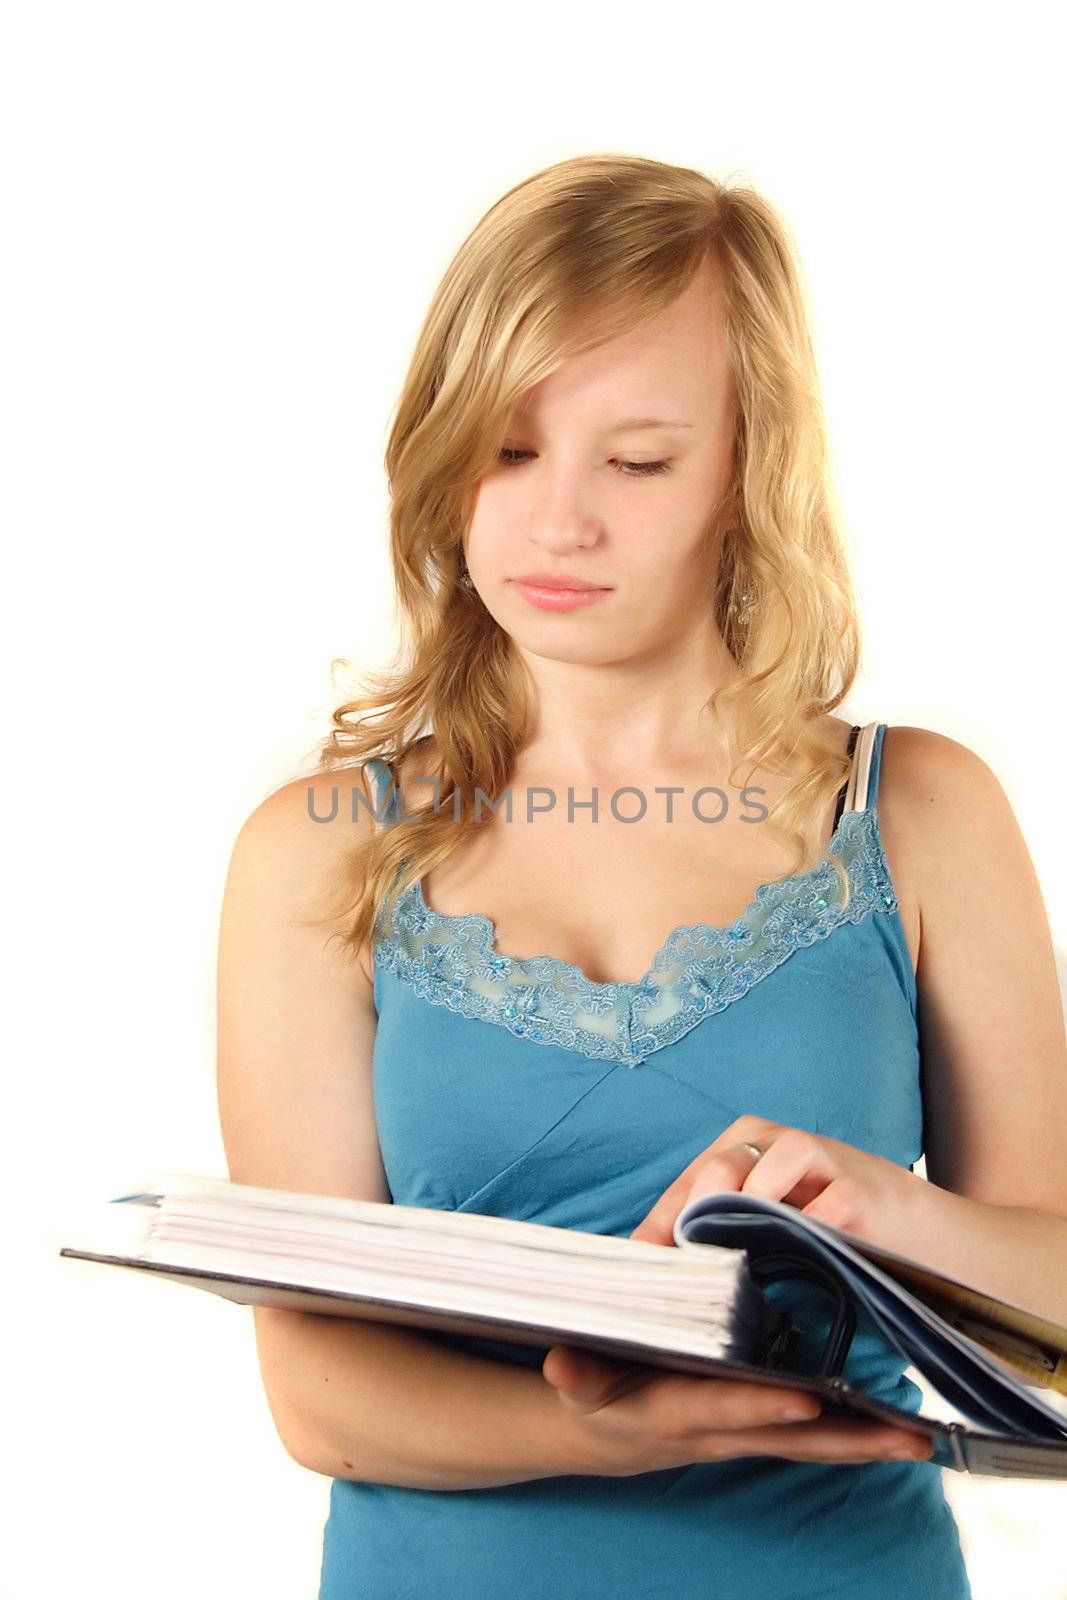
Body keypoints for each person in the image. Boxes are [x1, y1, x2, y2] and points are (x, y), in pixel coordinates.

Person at [216, 154, 1067, 1599]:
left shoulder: (922, 815)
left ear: (748, 471)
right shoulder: (317, 852)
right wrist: (607, 1432)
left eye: (639, 460)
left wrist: (891, 1212)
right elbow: (316, 1395)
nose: (558, 523)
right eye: (506, 447)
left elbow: (1048, 1303)